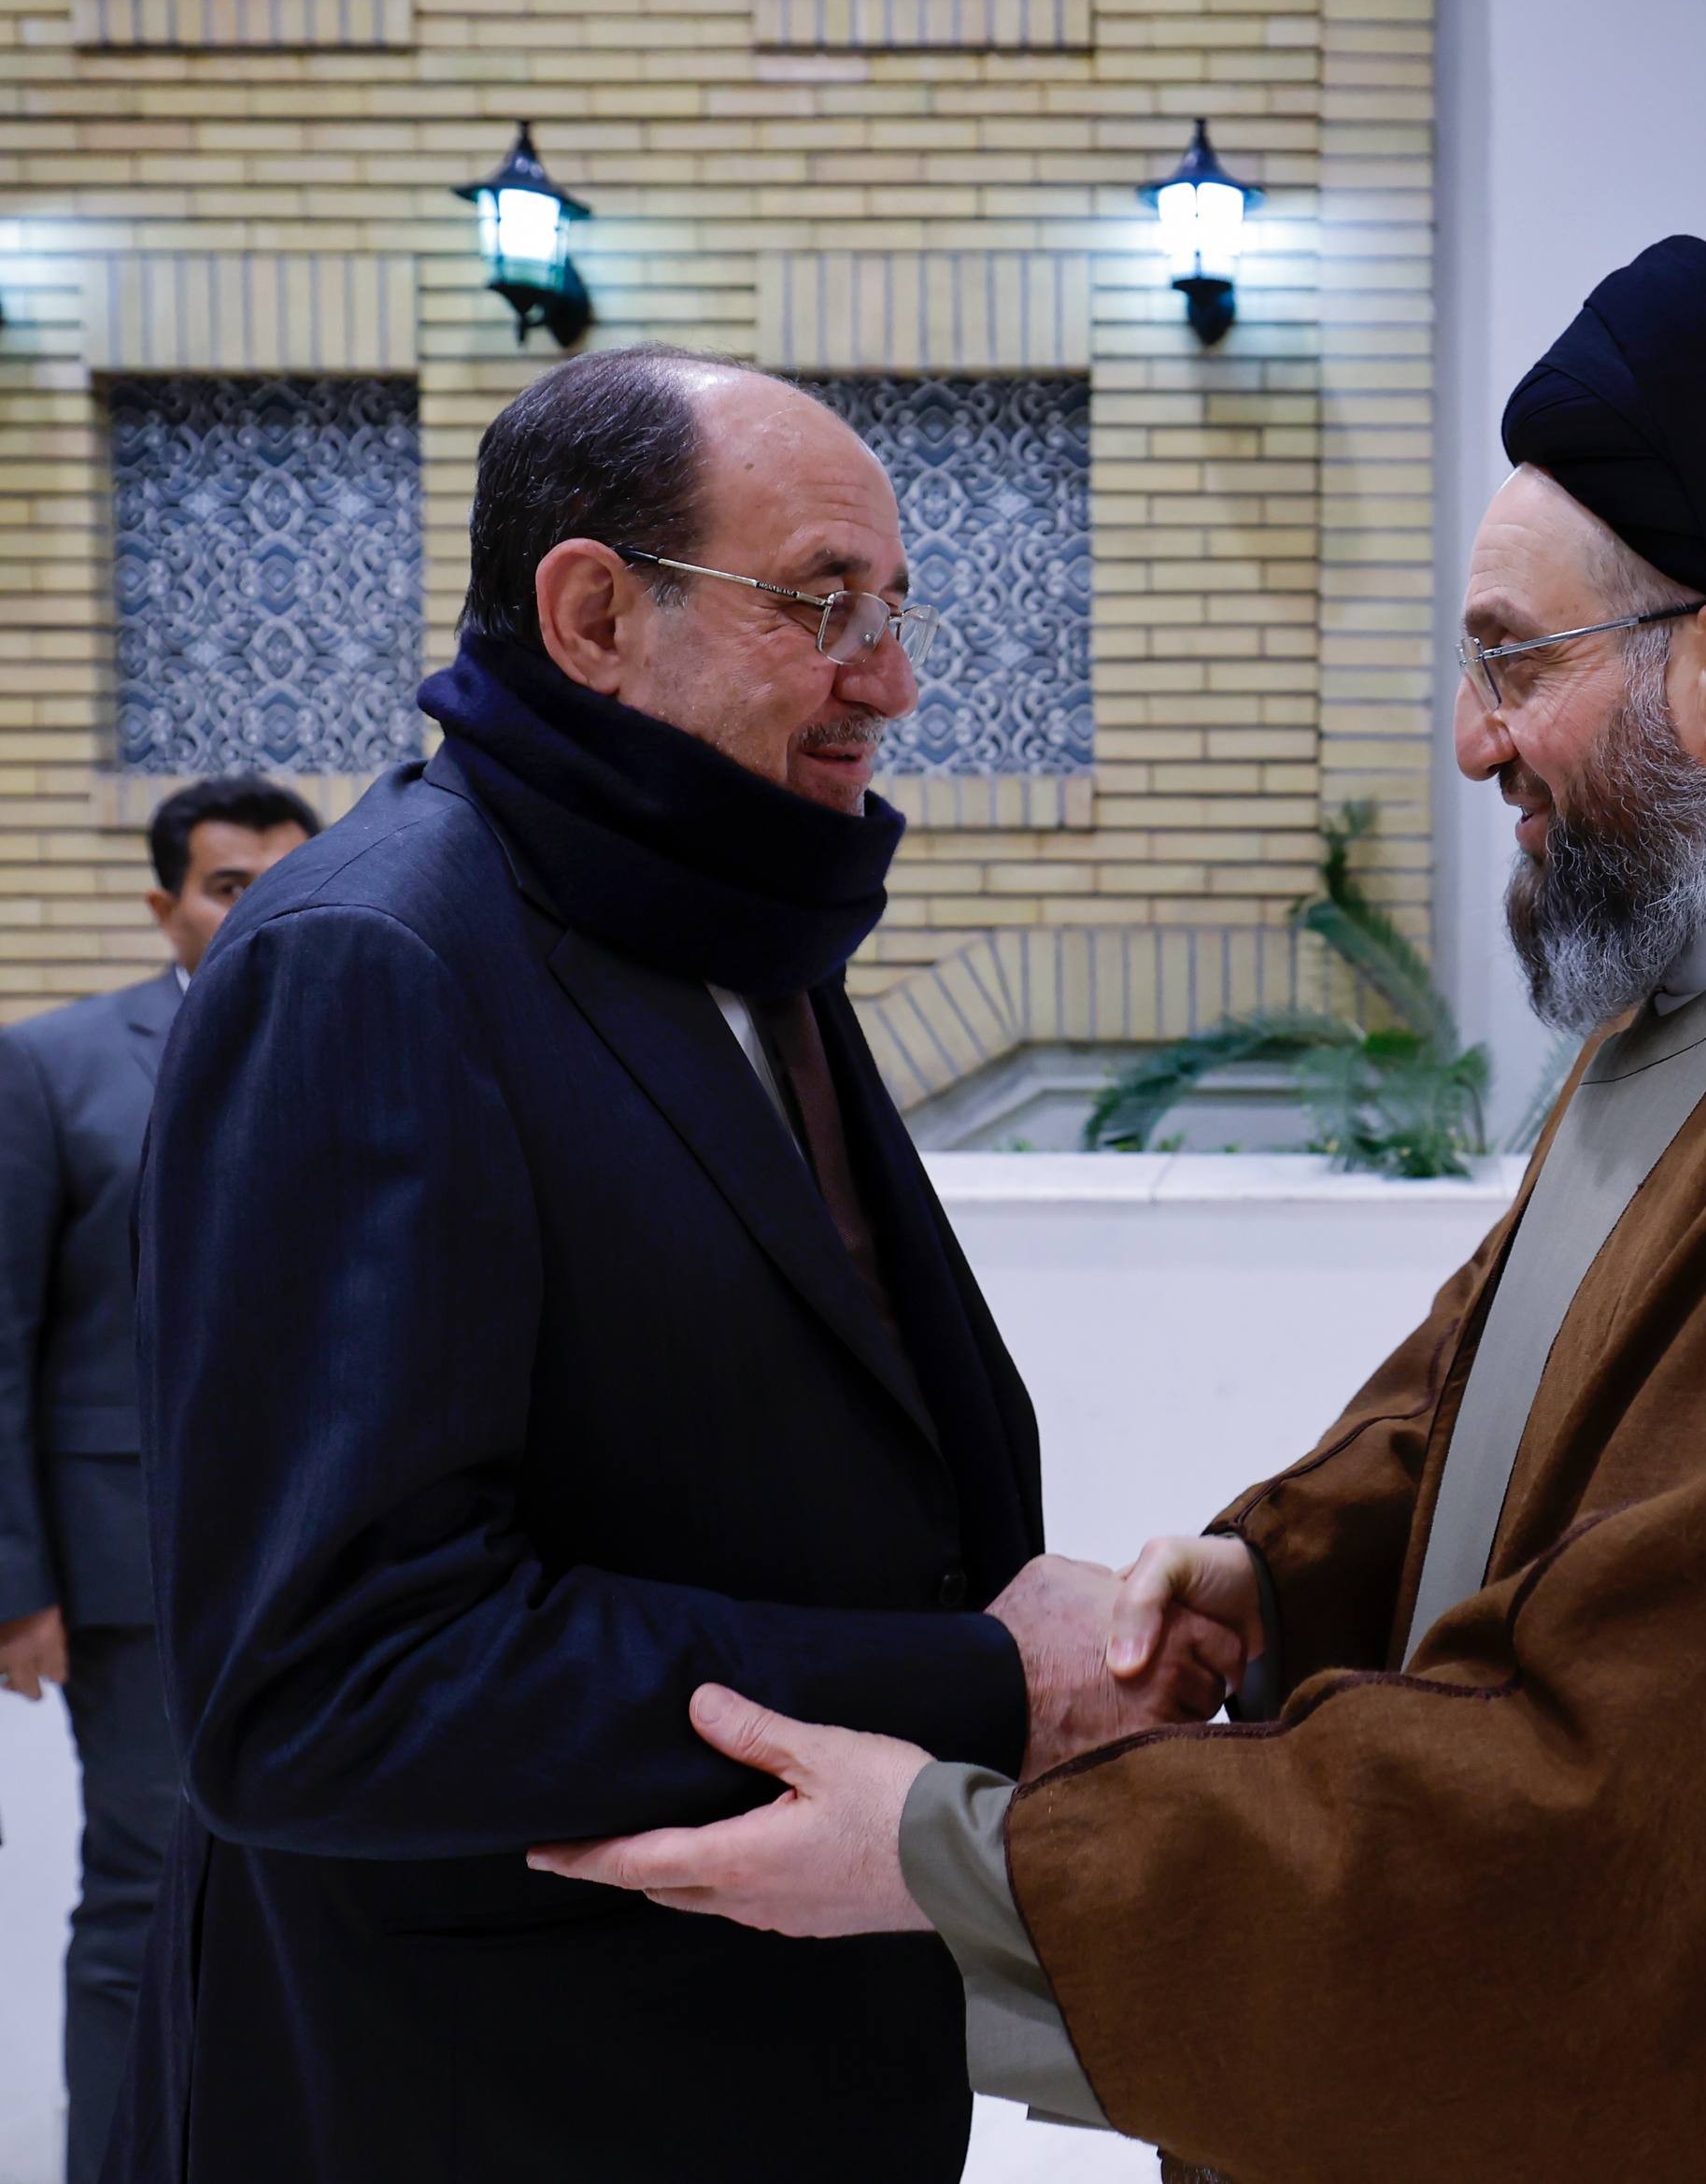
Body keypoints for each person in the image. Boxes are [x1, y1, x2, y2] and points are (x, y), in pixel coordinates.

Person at [536, 241, 1706, 2180]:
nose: (1469, 738)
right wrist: (1271, 1568)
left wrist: (952, 1853)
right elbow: (1496, 1383)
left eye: (1513, 659)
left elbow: (1637, 1794)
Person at [107, 346, 1235, 2184]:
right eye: (821, 604)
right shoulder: (373, 960)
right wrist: (976, 1684)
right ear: (593, 614)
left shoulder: (724, 910)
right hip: (492, 2101)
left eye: (894, 609)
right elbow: (334, 1681)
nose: (892, 679)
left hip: (764, 2070)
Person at [0, 775, 317, 2184]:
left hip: (322, 1554)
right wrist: (17, 1581)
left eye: (283, 882)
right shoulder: (51, 1066)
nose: (258, 911)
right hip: (128, 1561)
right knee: (141, 1886)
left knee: (307, 1894)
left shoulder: (357, 1036)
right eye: (228, 886)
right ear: (164, 904)